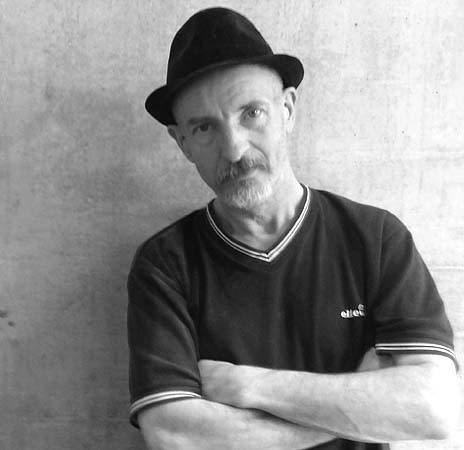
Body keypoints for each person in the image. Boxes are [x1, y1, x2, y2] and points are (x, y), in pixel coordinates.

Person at [127, 7, 459, 450]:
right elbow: (174, 436)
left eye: (252, 113)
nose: (235, 149)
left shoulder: (376, 238)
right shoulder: (166, 264)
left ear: (287, 109)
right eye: (204, 127)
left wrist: (247, 386)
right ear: (182, 142)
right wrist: (360, 412)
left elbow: (433, 408)